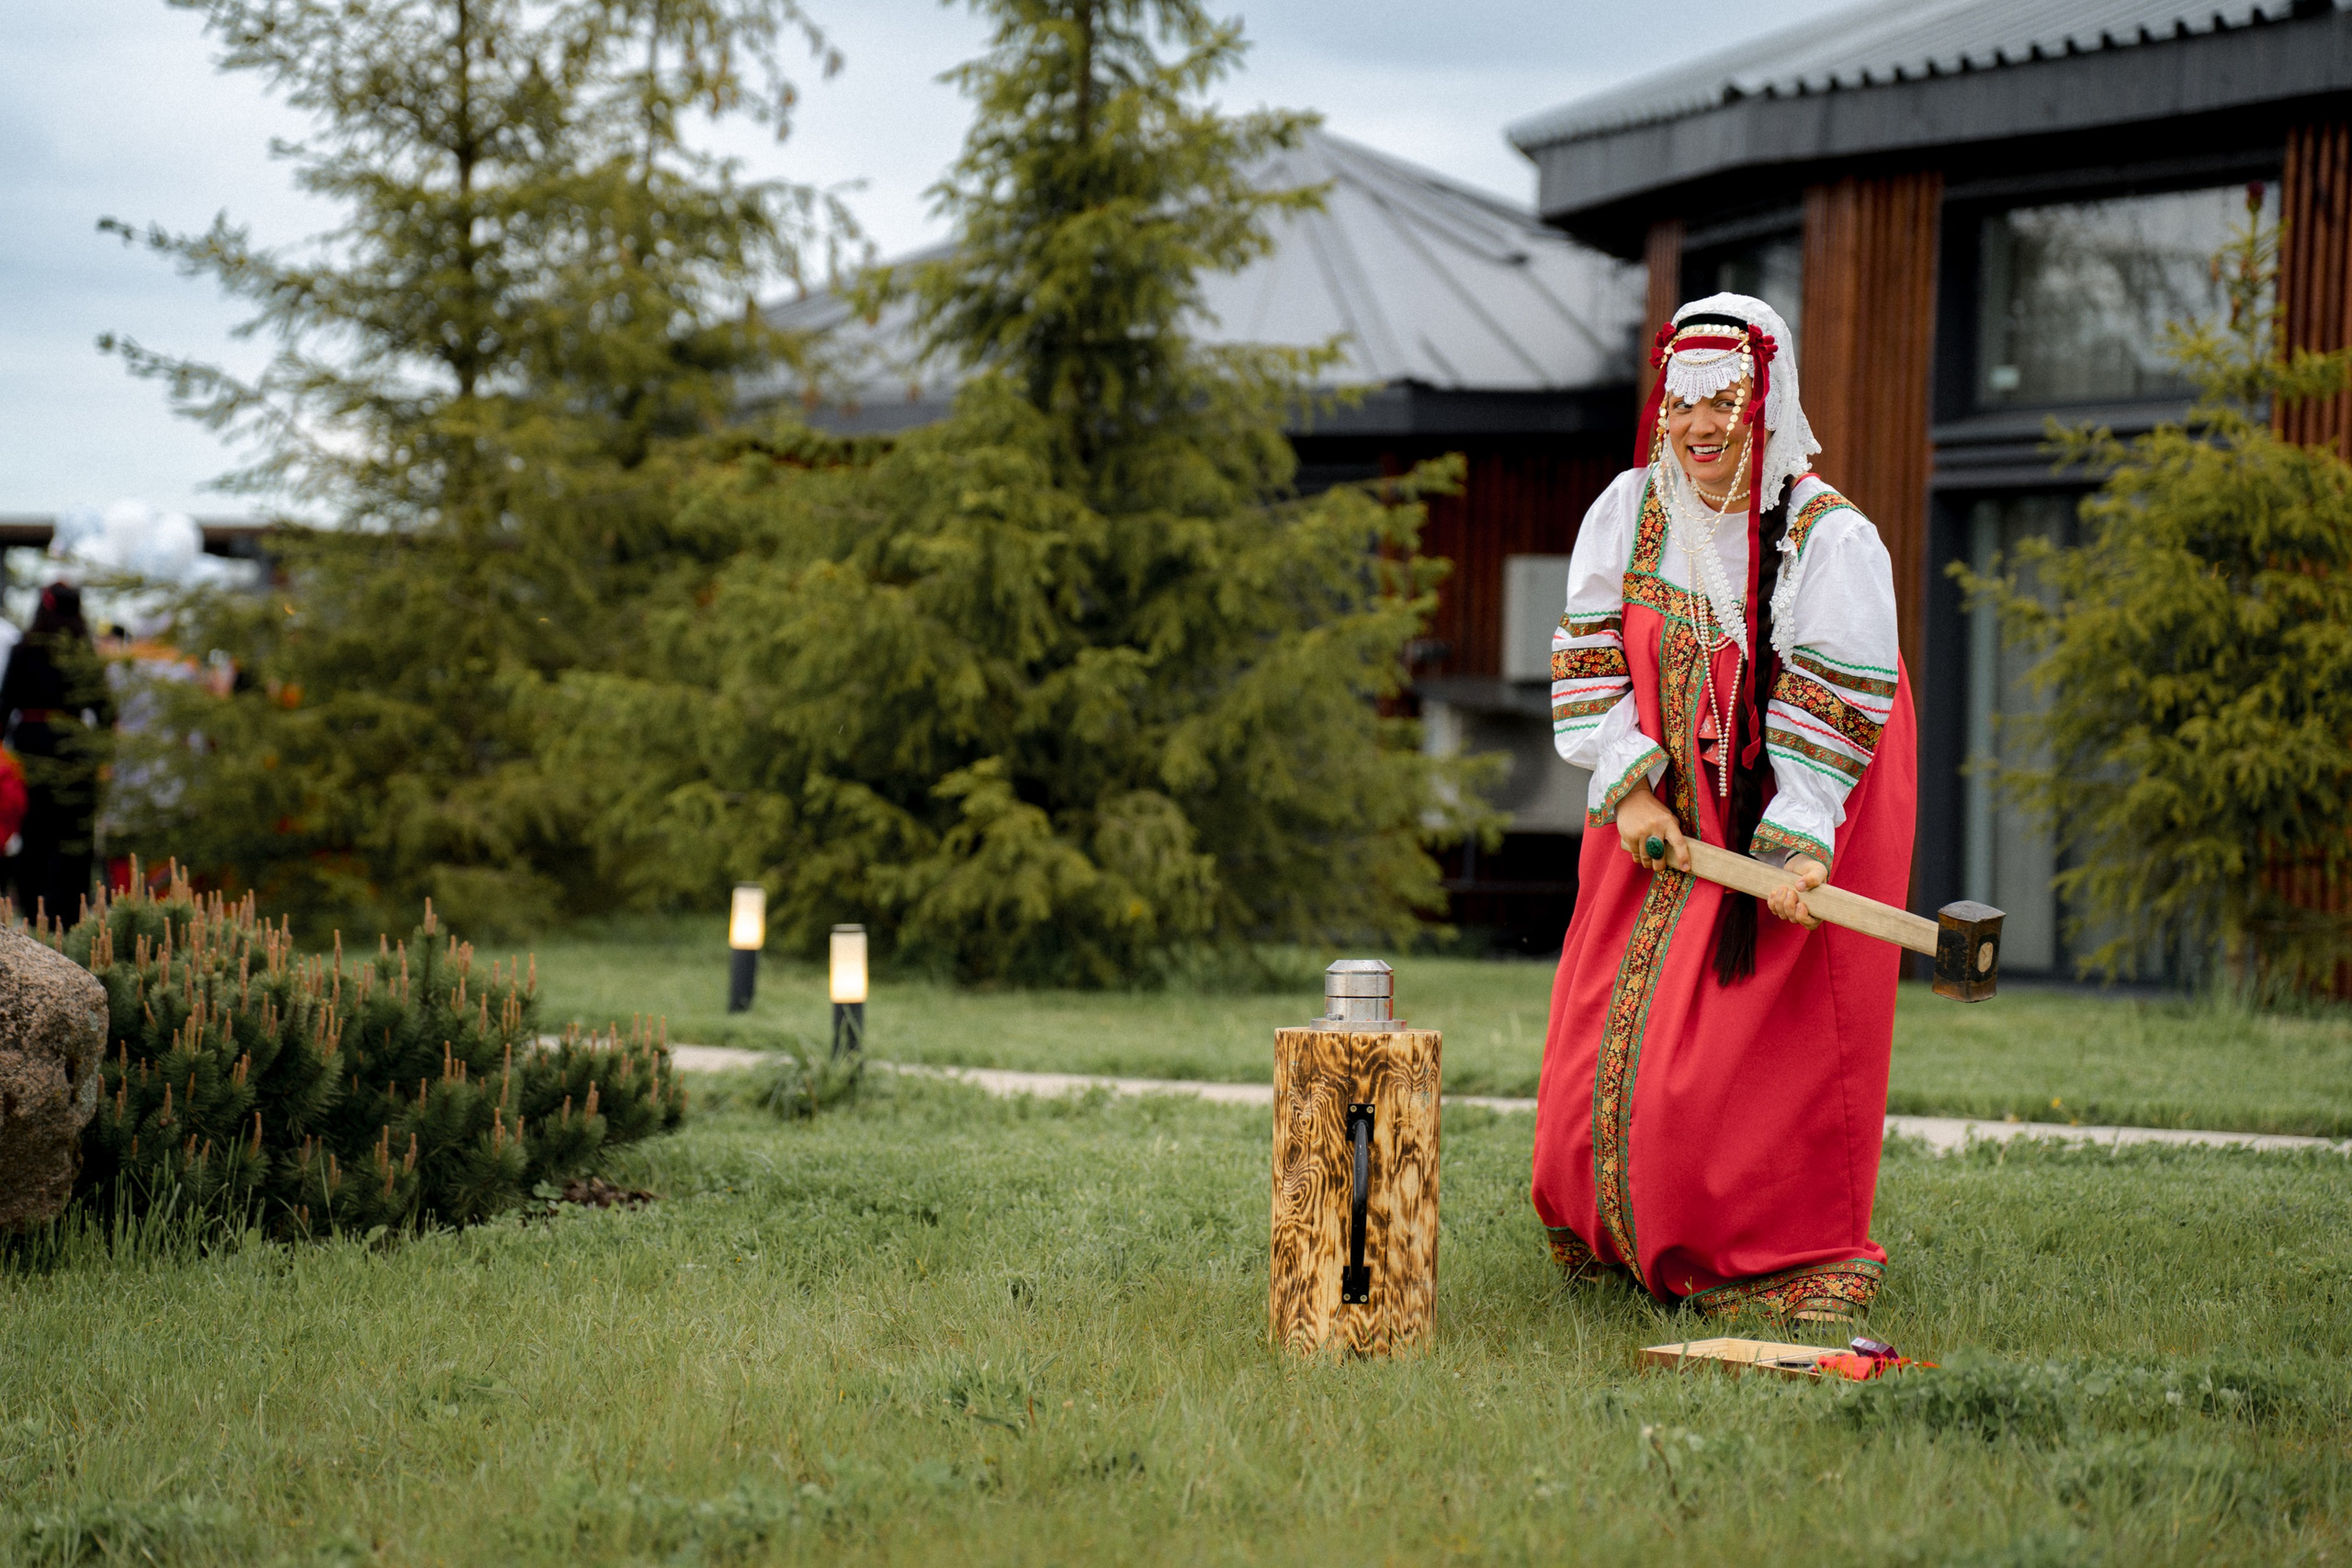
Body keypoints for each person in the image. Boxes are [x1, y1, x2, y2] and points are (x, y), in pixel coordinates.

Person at [1532, 293, 1917, 1323]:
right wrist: (1625, 781)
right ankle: (1614, 1232)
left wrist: (1797, 833)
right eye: (1683, 401)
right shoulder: (1628, 512)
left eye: (1725, 402)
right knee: (1595, 1047)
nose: (1700, 427)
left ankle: (1777, 1254)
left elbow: (1836, 702)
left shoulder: (1827, 542)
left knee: (1733, 1068)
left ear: (1769, 401)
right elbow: (1583, 660)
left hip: (1786, 827)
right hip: (1650, 823)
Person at [1, 584, 115, 924]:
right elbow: (106, 711)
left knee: (34, 833)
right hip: (75, 750)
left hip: (31, 749)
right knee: (74, 834)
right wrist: (102, 752)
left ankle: (32, 910)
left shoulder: (25, 648)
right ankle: (69, 913)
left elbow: (5, 704)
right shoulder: (84, 653)